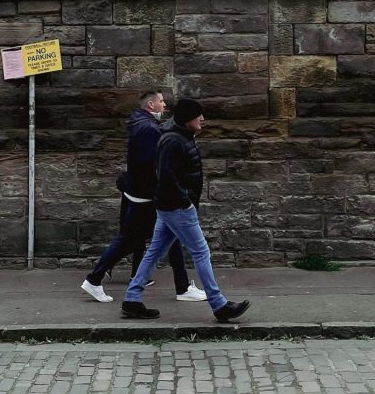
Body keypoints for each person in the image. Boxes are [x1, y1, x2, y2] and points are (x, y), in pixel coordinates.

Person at [121, 98, 250, 323]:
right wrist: (185, 201)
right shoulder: (173, 140)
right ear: (187, 118)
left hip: (169, 206)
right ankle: (219, 305)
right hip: (177, 207)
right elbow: (166, 175)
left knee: (154, 253)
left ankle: (132, 299)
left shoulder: (178, 136)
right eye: (198, 115)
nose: (202, 119)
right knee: (201, 252)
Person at [81, 89, 206, 304]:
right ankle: (94, 279)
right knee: (130, 240)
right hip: (146, 197)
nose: (164, 105)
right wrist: (161, 192)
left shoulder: (140, 123)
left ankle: (182, 287)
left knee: (167, 238)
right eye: (161, 101)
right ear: (151, 105)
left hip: (141, 194)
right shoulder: (148, 129)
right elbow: (152, 166)